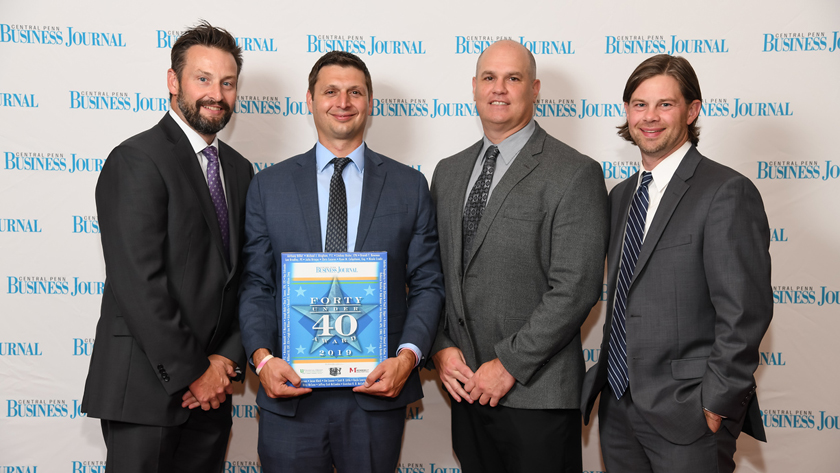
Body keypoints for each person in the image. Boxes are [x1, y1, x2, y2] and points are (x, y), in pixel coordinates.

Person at [238, 50, 444, 473]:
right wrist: (262, 360)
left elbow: (427, 284)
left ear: (369, 103)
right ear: (310, 100)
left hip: (375, 396)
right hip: (290, 396)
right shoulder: (267, 187)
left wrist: (407, 358)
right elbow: (256, 284)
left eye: (355, 92)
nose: (343, 101)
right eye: (330, 91)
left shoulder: (409, 185)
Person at [580, 54, 773, 473]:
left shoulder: (726, 191)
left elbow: (744, 312)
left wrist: (717, 402)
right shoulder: (621, 196)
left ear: (692, 110)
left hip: (691, 414)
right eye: (639, 104)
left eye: (665, 104)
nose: (650, 117)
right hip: (617, 408)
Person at [429, 39, 609, 472]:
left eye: (513, 78)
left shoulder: (574, 172)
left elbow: (575, 288)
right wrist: (440, 347)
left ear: (535, 89)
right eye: (489, 78)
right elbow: (432, 275)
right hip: (467, 393)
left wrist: (509, 363)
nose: (499, 89)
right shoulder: (448, 172)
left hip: (538, 396)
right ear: (474, 87)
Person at [81, 21, 253, 473]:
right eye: (203, 79)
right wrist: (194, 372)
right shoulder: (137, 159)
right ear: (174, 81)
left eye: (227, 82)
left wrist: (224, 362)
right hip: (144, 392)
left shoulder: (239, 170)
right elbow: (139, 282)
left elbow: (244, 276)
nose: (216, 93)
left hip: (212, 394)